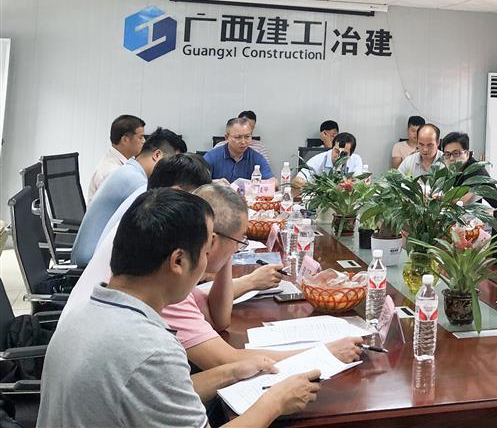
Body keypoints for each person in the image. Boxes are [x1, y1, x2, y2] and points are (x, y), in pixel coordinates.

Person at [38, 188, 323, 428]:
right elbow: (155, 374)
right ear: (178, 261)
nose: (206, 263)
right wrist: (275, 402)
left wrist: (232, 372)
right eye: (205, 252)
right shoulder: (151, 349)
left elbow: (161, 391)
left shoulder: (85, 312)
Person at [167, 183, 363, 370]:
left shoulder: (179, 273)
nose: (238, 248)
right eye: (240, 240)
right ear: (212, 240)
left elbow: (219, 320)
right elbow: (226, 361)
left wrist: (228, 248)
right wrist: (324, 354)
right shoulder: (171, 289)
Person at [62, 153, 276, 322]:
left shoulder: (145, 212)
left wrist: (229, 246)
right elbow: (218, 333)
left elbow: (204, 307)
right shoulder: (161, 243)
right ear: (176, 192)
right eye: (197, 201)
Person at [71, 128, 186, 267]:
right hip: (91, 263)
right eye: (172, 164)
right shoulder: (136, 182)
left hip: (90, 258)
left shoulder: (128, 171)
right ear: (157, 155)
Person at [87, 114, 145, 203]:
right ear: (125, 140)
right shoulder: (111, 172)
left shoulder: (124, 163)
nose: (144, 141)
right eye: (140, 137)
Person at [441, 131, 497, 208]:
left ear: (467, 154)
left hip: (494, 212)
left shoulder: (475, 169)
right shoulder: (454, 170)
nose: (451, 158)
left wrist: (441, 199)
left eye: (456, 153)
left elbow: (465, 201)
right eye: (447, 154)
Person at [204, 117, 273, 182]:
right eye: (237, 137)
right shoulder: (211, 157)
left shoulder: (257, 158)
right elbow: (199, 183)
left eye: (247, 136)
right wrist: (215, 183)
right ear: (226, 137)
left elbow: (271, 181)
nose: (243, 142)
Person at [293, 132, 364, 188]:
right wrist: (321, 188)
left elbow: (358, 183)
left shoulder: (355, 160)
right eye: (336, 151)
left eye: (344, 154)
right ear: (332, 148)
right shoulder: (318, 160)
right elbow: (297, 181)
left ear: (350, 155)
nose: (338, 157)